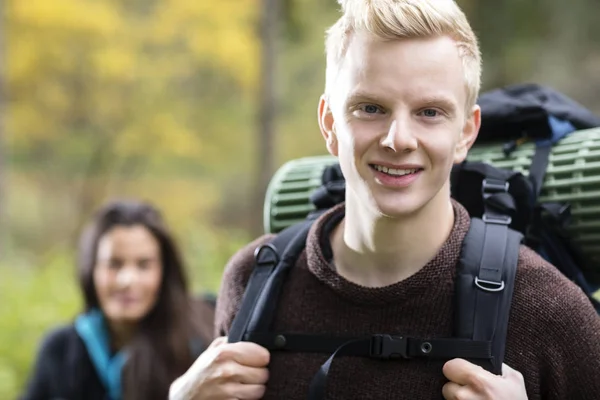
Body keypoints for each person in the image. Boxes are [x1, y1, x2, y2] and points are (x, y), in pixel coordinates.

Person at [169, 0, 600, 399]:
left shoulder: (547, 310)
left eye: (429, 112)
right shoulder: (253, 284)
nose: (399, 140)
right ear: (329, 122)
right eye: (370, 108)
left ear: (466, 132)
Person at [20, 199, 216, 400]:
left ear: (164, 271)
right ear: (91, 269)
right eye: (114, 264)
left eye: (144, 265)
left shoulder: (204, 331)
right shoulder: (61, 351)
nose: (127, 280)